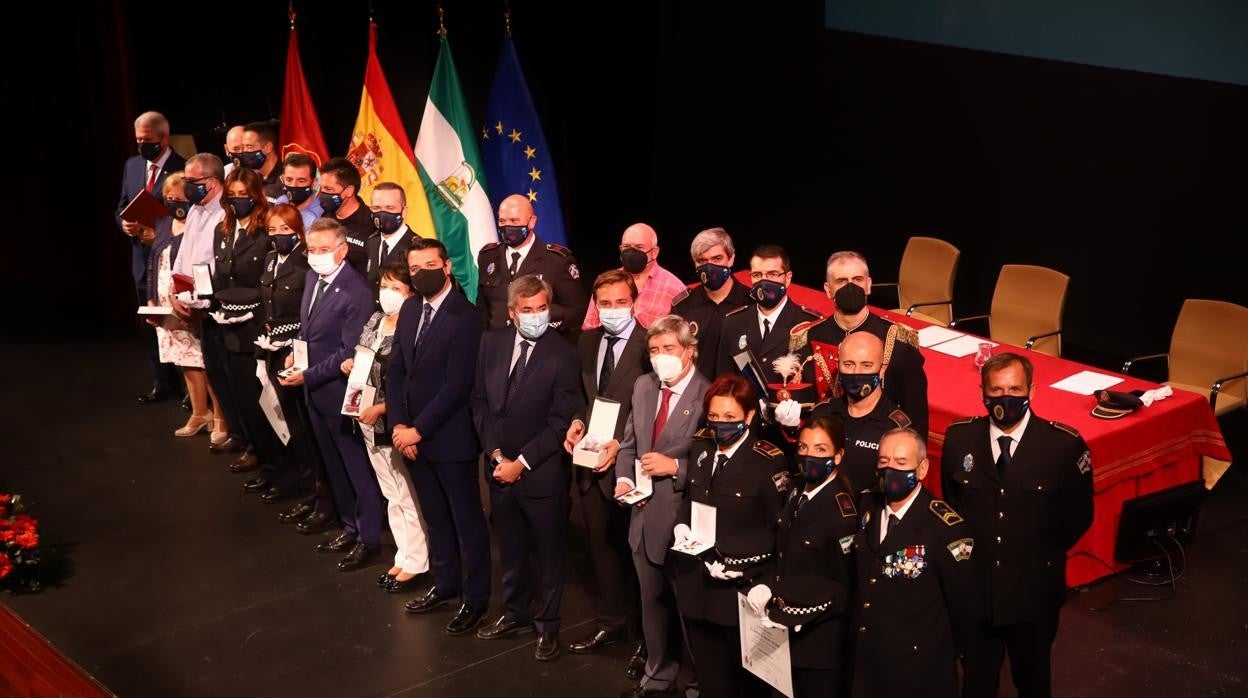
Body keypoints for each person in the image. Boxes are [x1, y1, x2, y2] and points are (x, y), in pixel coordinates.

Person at [941, 352, 1094, 698]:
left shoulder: (1062, 445)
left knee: (1033, 680)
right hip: (976, 593)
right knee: (977, 683)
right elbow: (953, 507)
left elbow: (1079, 515)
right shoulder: (959, 439)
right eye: (995, 390)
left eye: (1014, 388)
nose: (1004, 398)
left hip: (1033, 592)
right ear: (983, 393)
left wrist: (1036, 554)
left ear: (1032, 391)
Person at [470, 274, 582, 661]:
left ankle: (547, 626)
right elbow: (480, 401)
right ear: (513, 313)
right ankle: (515, 613)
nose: (536, 316)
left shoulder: (564, 353)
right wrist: (497, 454)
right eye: (527, 310)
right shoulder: (491, 343)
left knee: (550, 553)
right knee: (511, 548)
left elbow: (559, 421)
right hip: (499, 469)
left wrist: (521, 463)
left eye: (542, 309)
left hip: (541, 473)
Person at [389, 238, 492, 637]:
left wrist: (419, 428)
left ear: (447, 267)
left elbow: (457, 385)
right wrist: (399, 425)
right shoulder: (411, 307)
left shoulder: (465, 317)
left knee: (466, 522)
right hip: (412, 437)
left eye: (430, 265)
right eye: (415, 269)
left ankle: (476, 598)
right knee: (436, 519)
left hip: (450, 439)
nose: (422, 273)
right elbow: (397, 369)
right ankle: (446, 584)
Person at [609, 314, 710, 698]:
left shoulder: (709, 394)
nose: (660, 357)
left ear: (689, 351)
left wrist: (677, 468)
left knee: (689, 611)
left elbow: (715, 459)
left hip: (684, 519)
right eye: (654, 350)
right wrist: (622, 477)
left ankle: (697, 682)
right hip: (643, 516)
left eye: (669, 349)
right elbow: (630, 443)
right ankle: (657, 675)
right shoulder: (643, 386)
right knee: (651, 605)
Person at [671, 374, 788, 698]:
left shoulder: (767, 463)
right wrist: (681, 526)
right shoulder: (701, 447)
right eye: (714, 417)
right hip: (698, 585)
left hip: (741, 592)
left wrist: (759, 577)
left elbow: (779, 532)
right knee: (710, 683)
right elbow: (690, 500)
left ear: (749, 416)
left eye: (730, 418)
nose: (720, 425)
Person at [279, 218, 381, 572]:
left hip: (340, 394)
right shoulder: (312, 278)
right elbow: (309, 331)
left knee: (356, 468)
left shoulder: (357, 292)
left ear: (341, 250)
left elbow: (346, 352)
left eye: (324, 250)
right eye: (312, 250)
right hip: (316, 395)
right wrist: (296, 354)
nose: (316, 257)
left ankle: (368, 537)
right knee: (333, 467)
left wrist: (306, 375)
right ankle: (349, 526)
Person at [852, 428, 985, 698]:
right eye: (883, 462)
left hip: (917, 670)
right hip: (867, 662)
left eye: (901, 464)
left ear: (922, 468)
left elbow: (964, 608)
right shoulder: (867, 508)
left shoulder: (945, 529)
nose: (890, 470)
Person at [562, 271, 650, 662]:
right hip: (591, 462)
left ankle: (649, 639)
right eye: (605, 304)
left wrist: (624, 445)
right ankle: (613, 624)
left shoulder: (651, 344)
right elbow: (587, 395)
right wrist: (578, 422)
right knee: (601, 549)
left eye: (620, 302)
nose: (613, 310)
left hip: (631, 464)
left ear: (634, 301)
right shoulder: (588, 340)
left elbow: (651, 409)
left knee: (639, 557)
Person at [744, 416, 858, 698]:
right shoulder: (796, 491)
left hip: (817, 644)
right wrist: (767, 583)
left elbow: (843, 587)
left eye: (821, 449)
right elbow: (782, 553)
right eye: (804, 448)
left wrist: (794, 609)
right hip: (780, 635)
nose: (809, 456)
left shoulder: (841, 512)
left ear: (839, 455)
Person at [342, 262, 431, 593]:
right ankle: (403, 553)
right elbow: (364, 355)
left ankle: (419, 560)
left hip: (392, 420)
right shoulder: (376, 320)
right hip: (363, 416)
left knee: (406, 492)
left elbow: (412, 383)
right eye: (384, 285)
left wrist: (383, 407)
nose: (387, 292)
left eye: (395, 286)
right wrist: (351, 362)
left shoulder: (412, 326)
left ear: (410, 291)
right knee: (390, 493)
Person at [256, 205, 338, 535]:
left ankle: (324, 500)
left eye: (284, 230)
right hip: (274, 351)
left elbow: (309, 318)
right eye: (272, 230)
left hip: (300, 354)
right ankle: (308, 492)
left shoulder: (306, 267)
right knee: (291, 428)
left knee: (308, 431)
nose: (278, 236)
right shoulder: (269, 261)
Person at [804, 251, 929, 437]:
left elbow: (916, 416)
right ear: (828, 289)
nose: (850, 287)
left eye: (857, 279)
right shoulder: (808, 337)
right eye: (841, 281)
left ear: (868, 285)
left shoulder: (897, 341)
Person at [144, 172, 222, 439]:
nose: (174, 203)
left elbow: (194, 265)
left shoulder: (198, 222)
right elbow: (154, 261)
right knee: (184, 359)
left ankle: (221, 416)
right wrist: (152, 297)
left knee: (204, 359)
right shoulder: (164, 222)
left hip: (188, 300)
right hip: (166, 300)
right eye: (169, 198)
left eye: (179, 198)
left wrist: (187, 302)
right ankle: (200, 412)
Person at [117, 110, 186, 405]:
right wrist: (123, 223)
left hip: (170, 256)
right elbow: (121, 203)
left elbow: (185, 216)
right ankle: (163, 382)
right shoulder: (133, 165)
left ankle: (190, 389)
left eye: (147, 140)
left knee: (180, 321)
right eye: (138, 140)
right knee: (151, 321)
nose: (142, 146)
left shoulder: (182, 167)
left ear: (164, 138)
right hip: (140, 258)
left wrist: (156, 234)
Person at [210, 168, 273, 478]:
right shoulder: (222, 230)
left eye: (243, 196)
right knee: (239, 394)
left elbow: (268, 281)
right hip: (229, 324)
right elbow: (221, 274)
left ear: (256, 197)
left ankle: (270, 457)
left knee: (258, 394)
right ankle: (253, 447)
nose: (237, 202)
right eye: (232, 196)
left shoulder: (265, 232)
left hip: (257, 325)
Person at [168, 154, 233, 449]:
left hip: (213, 301)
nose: (187, 187)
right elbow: (185, 252)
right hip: (190, 296)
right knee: (208, 365)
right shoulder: (195, 209)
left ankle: (226, 422)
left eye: (192, 182)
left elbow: (216, 262)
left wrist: (196, 296)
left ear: (213, 182)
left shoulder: (225, 212)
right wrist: (174, 287)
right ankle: (215, 419)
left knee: (223, 369)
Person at [800, 333, 913, 491]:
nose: (856, 372)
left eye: (866, 365)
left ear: (882, 369)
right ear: (838, 365)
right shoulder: (822, 414)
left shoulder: (896, 428)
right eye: (849, 364)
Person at [477, 194, 587, 335]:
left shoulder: (557, 261)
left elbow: (576, 312)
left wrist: (541, 320)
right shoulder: (487, 256)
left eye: (514, 221)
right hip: (498, 346)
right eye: (502, 221)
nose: (507, 226)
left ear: (532, 221)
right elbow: (483, 308)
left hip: (541, 345)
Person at [715, 244, 822, 382]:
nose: (764, 281)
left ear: (788, 278)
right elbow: (724, 382)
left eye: (772, 274)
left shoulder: (810, 324)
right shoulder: (733, 323)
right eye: (757, 275)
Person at [671, 227, 750, 382]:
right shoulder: (683, 306)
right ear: (695, 263)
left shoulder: (751, 303)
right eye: (702, 261)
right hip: (694, 397)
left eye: (717, 259)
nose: (710, 266)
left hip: (737, 397)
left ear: (731, 258)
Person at [583, 223, 685, 331]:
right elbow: (589, 327)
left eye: (639, 247)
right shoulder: (605, 282)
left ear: (654, 252)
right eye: (626, 247)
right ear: (621, 249)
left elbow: (682, 336)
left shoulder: (675, 288)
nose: (631, 252)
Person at [318, 156, 373, 273]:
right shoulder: (324, 217)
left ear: (349, 191)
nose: (322, 194)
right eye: (321, 188)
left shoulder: (371, 224)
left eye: (328, 189)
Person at [364, 182, 418, 290]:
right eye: (377, 208)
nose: (382, 214)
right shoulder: (371, 242)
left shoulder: (417, 248)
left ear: (404, 211)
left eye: (390, 208)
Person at [275, 153, 324, 230]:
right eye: (289, 180)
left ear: (314, 183)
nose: (294, 185)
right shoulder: (281, 202)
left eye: (301, 181)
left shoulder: (319, 217)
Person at [240, 121, 283, 198]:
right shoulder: (253, 181)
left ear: (268, 147)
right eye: (243, 147)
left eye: (249, 147)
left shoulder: (287, 180)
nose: (244, 151)